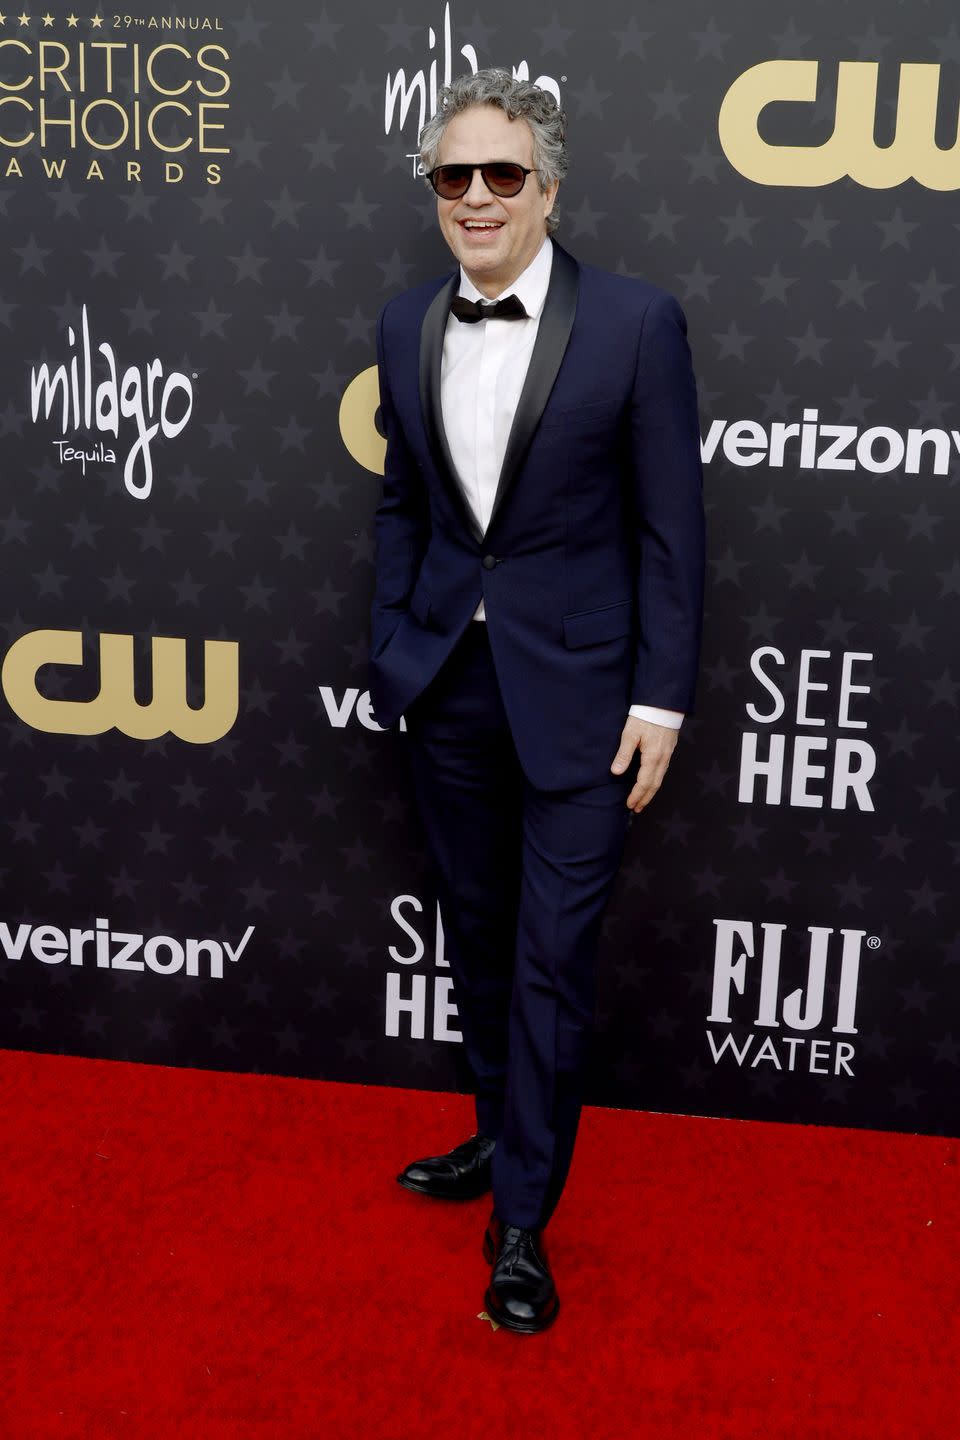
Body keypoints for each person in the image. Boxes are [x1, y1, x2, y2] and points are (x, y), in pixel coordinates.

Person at [369, 68, 705, 1334]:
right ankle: (496, 1136)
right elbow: (403, 502)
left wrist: (661, 703)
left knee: (553, 960)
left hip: (586, 702)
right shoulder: (404, 321)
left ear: (548, 191)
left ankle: (523, 1220)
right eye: (453, 176)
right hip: (447, 686)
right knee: (479, 935)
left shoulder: (635, 323)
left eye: (501, 174)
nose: (475, 197)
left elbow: (675, 531)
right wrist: (395, 645)